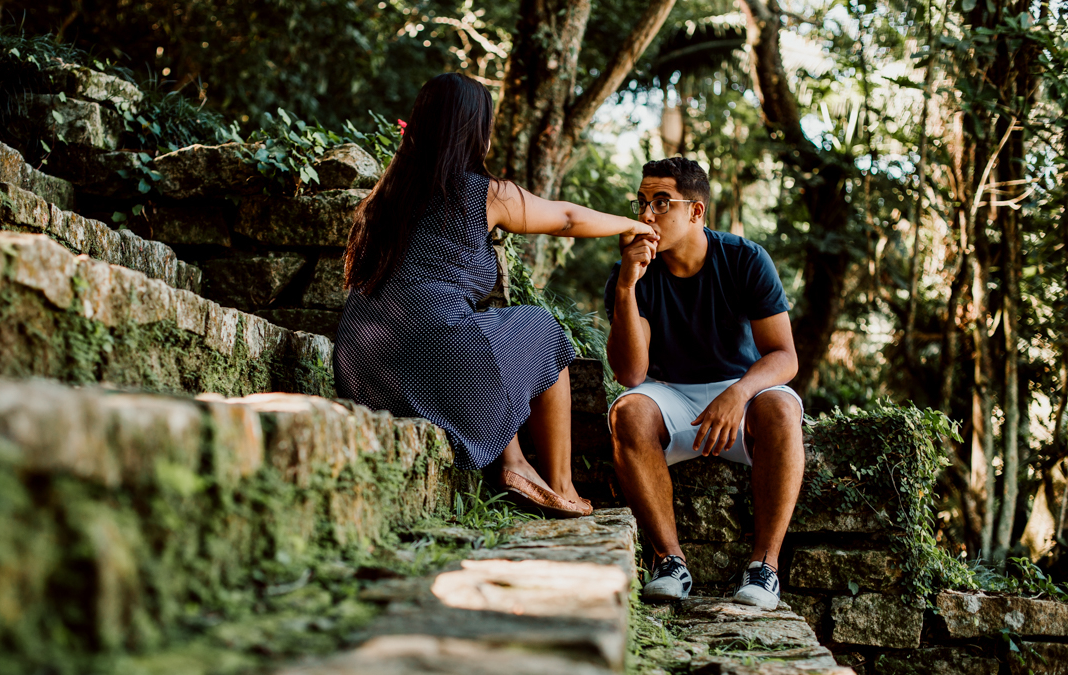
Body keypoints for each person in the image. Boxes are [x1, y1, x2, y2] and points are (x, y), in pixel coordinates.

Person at [335, 73, 656, 518]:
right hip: (434, 355)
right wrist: (633, 224)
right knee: (540, 329)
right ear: (474, 130)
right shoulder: (483, 193)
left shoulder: (383, 200)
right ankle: (560, 483)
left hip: (362, 368)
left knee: (476, 333)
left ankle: (514, 461)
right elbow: (564, 218)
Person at [605, 156, 805, 610]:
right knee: (628, 410)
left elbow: (784, 356)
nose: (646, 215)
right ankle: (669, 561)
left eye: (661, 203)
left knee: (782, 408)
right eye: (641, 202)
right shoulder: (634, 270)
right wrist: (625, 287)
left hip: (742, 390)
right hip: (670, 393)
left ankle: (765, 568)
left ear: (695, 212)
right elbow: (630, 374)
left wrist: (739, 391)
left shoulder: (744, 258)